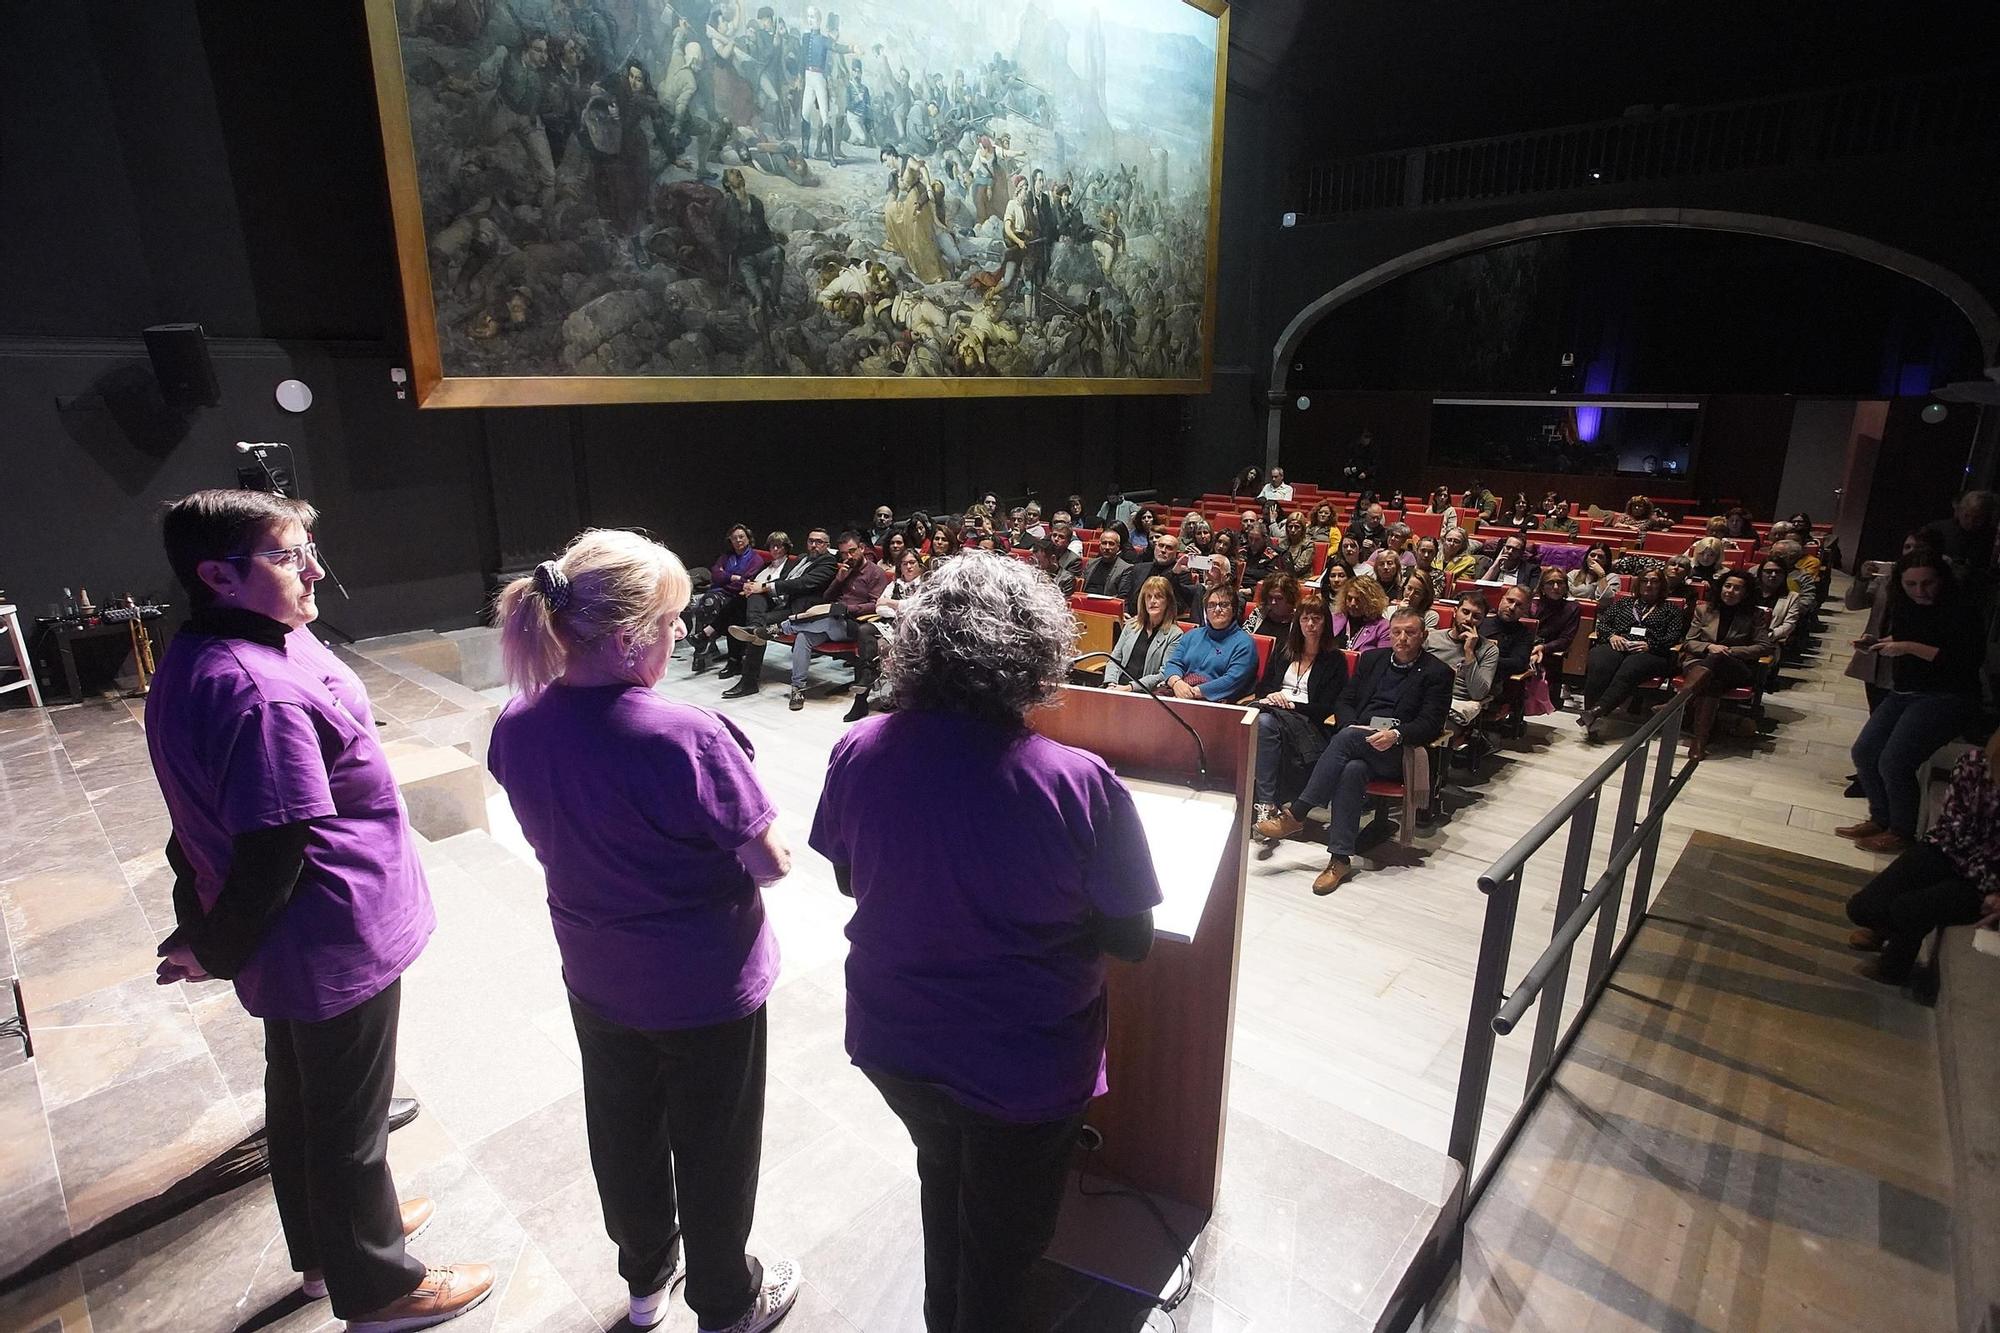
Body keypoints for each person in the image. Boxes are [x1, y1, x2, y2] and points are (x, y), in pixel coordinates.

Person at [145, 490, 491, 1331]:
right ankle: (379, 1287)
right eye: (290, 555)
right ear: (218, 575)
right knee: (346, 1120)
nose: (315, 570)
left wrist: (208, 927)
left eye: (309, 549)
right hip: (329, 934)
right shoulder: (254, 690)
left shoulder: (226, 649)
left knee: (306, 1097)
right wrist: (213, 943)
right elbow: (270, 849)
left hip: (304, 938)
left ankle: (329, 1247)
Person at [808, 553, 1161, 1333]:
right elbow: (1132, 940)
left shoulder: (858, 748)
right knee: (1006, 1243)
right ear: (1032, 651)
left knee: (944, 1177)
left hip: (894, 1041)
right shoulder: (1079, 780)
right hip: (1022, 1066)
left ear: (918, 645)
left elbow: (847, 878)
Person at [488, 531, 800, 1333]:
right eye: (671, 620)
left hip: (595, 971)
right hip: (700, 984)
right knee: (715, 1147)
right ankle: (728, 1300)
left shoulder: (516, 723)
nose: (683, 633)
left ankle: (644, 1281)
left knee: (621, 1129)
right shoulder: (683, 735)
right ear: (627, 635)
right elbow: (770, 863)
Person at [1254, 611, 1452, 894]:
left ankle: (1297, 814)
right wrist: (1352, 727)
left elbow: (1431, 724)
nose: (1402, 638)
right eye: (1397, 632)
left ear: (1424, 635)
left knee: (1347, 741)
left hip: (1397, 750)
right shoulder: (1373, 660)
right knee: (1351, 769)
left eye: (1410, 633)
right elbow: (1345, 701)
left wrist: (1396, 735)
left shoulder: (1437, 673)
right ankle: (1339, 859)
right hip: (1358, 740)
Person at [1836, 552, 1989, 853]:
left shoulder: (1962, 610)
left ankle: (1901, 831)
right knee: (1865, 751)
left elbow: (1963, 661)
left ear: (1941, 579)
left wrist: (1906, 647)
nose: (1920, 591)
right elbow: (1907, 635)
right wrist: (1881, 643)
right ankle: (1880, 817)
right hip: (1906, 690)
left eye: (1927, 583)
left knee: (1895, 760)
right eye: (1911, 584)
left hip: (1947, 695)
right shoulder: (1906, 605)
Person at [1845, 730, 2000, 987]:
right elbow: (1952, 829)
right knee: (1862, 907)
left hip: (1987, 883)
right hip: (1951, 852)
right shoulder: (1974, 765)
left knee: (1910, 909)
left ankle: (1893, 969)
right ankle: (1886, 925)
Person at [1249, 589, 1347, 822]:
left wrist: (1291, 706)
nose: (1310, 624)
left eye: (1316, 619)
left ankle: (1265, 803)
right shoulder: (1285, 651)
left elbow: (1327, 707)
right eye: (1305, 619)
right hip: (1274, 710)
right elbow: (1263, 688)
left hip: (1309, 723)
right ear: (1298, 622)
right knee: (1258, 718)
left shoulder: (1335, 660)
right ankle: (1258, 798)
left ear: (1326, 622)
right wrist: (1273, 697)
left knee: (1263, 722)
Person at [771, 532, 890, 711]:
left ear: (862, 549)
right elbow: (827, 597)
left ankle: (783, 627)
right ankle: (798, 688)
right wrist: (838, 579)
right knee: (804, 636)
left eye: (852, 551)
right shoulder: (844, 570)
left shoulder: (875, 573)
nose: (848, 557)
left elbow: (875, 605)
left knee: (829, 618)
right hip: (830, 618)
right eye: (844, 553)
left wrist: (846, 609)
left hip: (854, 624)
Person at [724, 528, 839, 699]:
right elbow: (784, 579)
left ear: (827, 545)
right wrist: (758, 585)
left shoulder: (828, 563)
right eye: (811, 541)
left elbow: (802, 583)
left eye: (819, 542)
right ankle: (753, 627)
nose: (814, 545)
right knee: (753, 598)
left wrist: (765, 586)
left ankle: (748, 682)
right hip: (783, 602)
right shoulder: (802, 558)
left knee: (759, 628)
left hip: (801, 611)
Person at [1670, 568, 1771, 759]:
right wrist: (1709, 647)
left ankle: (1679, 701)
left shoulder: (1754, 615)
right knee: (1712, 683)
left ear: (1746, 593)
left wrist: (1728, 651)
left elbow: (1765, 646)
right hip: (1700, 662)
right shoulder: (1704, 609)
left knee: (1718, 659)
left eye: (1737, 588)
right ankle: (1699, 742)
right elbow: (1689, 641)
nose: (1730, 591)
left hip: (1734, 667)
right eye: (1728, 586)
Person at [1576, 570, 1688, 741]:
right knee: (1599, 660)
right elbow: (1603, 624)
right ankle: (1592, 721)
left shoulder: (1670, 609)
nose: (1649, 585)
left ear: (1661, 585)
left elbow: (1674, 637)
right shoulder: (1624, 603)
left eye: (1654, 581)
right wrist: (1612, 636)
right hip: (1619, 644)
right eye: (1645, 581)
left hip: (1652, 652)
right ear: (1638, 583)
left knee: (1632, 666)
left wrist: (1650, 645)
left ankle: (1596, 712)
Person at [848, 548, 926, 722]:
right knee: (864, 630)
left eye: (912, 563)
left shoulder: (925, 584)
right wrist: (899, 608)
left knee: (883, 646)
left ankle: (872, 692)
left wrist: (892, 604)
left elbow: (917, 606)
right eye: (904, 564)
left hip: (916, 628)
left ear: (919, 565)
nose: (908, 567)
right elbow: (879, 607)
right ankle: (865, 683)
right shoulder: (894, 584)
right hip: (892, 625)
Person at [690, 524, 767, 674]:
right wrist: (733, 577)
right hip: (721, 591)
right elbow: (715, 575)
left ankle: (703, 642)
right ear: (730, 540)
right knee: (708, 601)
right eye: (734, 538)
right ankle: (704, 648)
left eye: (741, 537)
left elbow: (746, 582)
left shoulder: (755, 559)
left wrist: (726, 578)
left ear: (748, 539)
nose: (738, 540)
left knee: (715, 604)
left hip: (738, 595)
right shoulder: (726, 556)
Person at [1162, 585, 1259, 701]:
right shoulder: (1192, 635)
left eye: (1223, 605)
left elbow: (1232, 680)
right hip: (1180, 690)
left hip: (1215, 701)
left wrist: (1194, 692)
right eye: (1211, 605)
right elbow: (1174, 663)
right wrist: (1176, 683)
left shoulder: (1245, 643)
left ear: (1233, 610)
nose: (1217, 609)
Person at [1426, 592, 1502, 730]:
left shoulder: (1489, 650)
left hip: (1455, 707)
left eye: (1476, 617)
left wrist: (1469, 652)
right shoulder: (1431, 638)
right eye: (1465, 612)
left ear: (1483, 620)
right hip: (1425, 698)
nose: (1468, 619)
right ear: (1455, 612)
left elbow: (1478, 693)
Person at [1105, 575, 1185, 692]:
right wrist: (1111, 683)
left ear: (1168, 601)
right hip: (1116, 686)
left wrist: (1129, 688)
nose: (1152, 601)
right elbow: (1115, 659)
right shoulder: (1131, 625)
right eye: (1148, 597)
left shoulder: (1175, 635)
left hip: (1146, 693)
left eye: (1158, 597)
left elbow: (1164, 673)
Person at [1528, 568, 1581, 705]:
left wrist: (1542, 647)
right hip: (1527, 646)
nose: (1556, 587)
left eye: (1560, 583)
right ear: (1542, 587)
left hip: (1551, 651)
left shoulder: (1572, 608)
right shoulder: (1532, 604)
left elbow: (1566, 639)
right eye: (1551, 583)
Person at [1123, 531, 1198, 618]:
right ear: (1155, 548)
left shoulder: (1181, 572)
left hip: (1161, 622)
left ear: (1177, 554)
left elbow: (1180, 605)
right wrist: (1125, 611)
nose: (1163, 550)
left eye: (1169, 548)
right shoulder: (1138, 568)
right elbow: (1125, 595)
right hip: (1131, 618)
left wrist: (1173, 574)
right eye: (1161, 546)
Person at [1480, 584, 1535, 678]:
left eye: (1519, 605)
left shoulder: (1524, 634)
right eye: (1510, 601)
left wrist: (1483, 659)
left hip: (1492, 680)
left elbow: (1518, 664)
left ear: (1525, 611)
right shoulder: (1480, 622)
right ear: (1502, 600)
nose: (1512, 607)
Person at [1328, 575, 1392, 654]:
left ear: (1371, 601)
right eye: (1349, 598)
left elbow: (1382, 660)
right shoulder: (1332, 619)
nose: (1353, 603)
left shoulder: (1384, 628)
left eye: (1358, 600)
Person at [1079, 528, 1136, 599]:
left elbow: (1122, 597)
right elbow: (1080, 587)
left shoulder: (1126, 568)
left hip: (1106, 605)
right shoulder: (1090, 563)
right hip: (1085, 601)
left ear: (1118, 547)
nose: (1107, 547)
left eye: (1111, 544)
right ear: (1099, 545)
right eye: (1104, 543)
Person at [1243, 573, 1299, 639]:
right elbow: (1243, 639)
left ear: (1290, 598)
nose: (1273, 602)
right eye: (1270, 597)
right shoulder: (1259, 613)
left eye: (1279, 598)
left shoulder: (1299, 621)